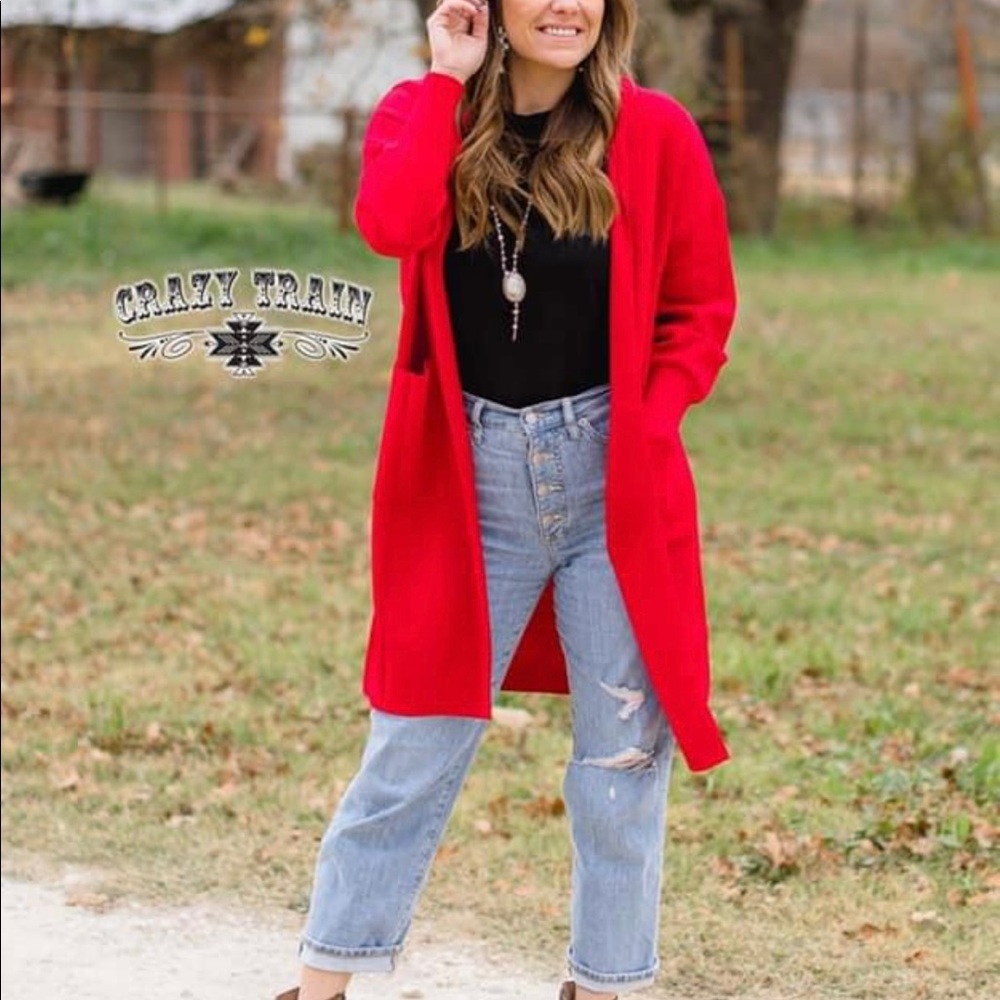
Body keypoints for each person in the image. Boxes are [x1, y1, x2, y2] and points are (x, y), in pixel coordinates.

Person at [277, 0, 736, 998]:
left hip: (611, 478)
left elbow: (700, 309)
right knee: (412, 742)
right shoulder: (420, 111)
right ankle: (322, 983)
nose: (562, 5)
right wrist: (448, 74)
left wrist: (651, 423)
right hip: (464, 475)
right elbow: (390, 224)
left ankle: (605, 981)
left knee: (621, 759)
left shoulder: (651, 133)